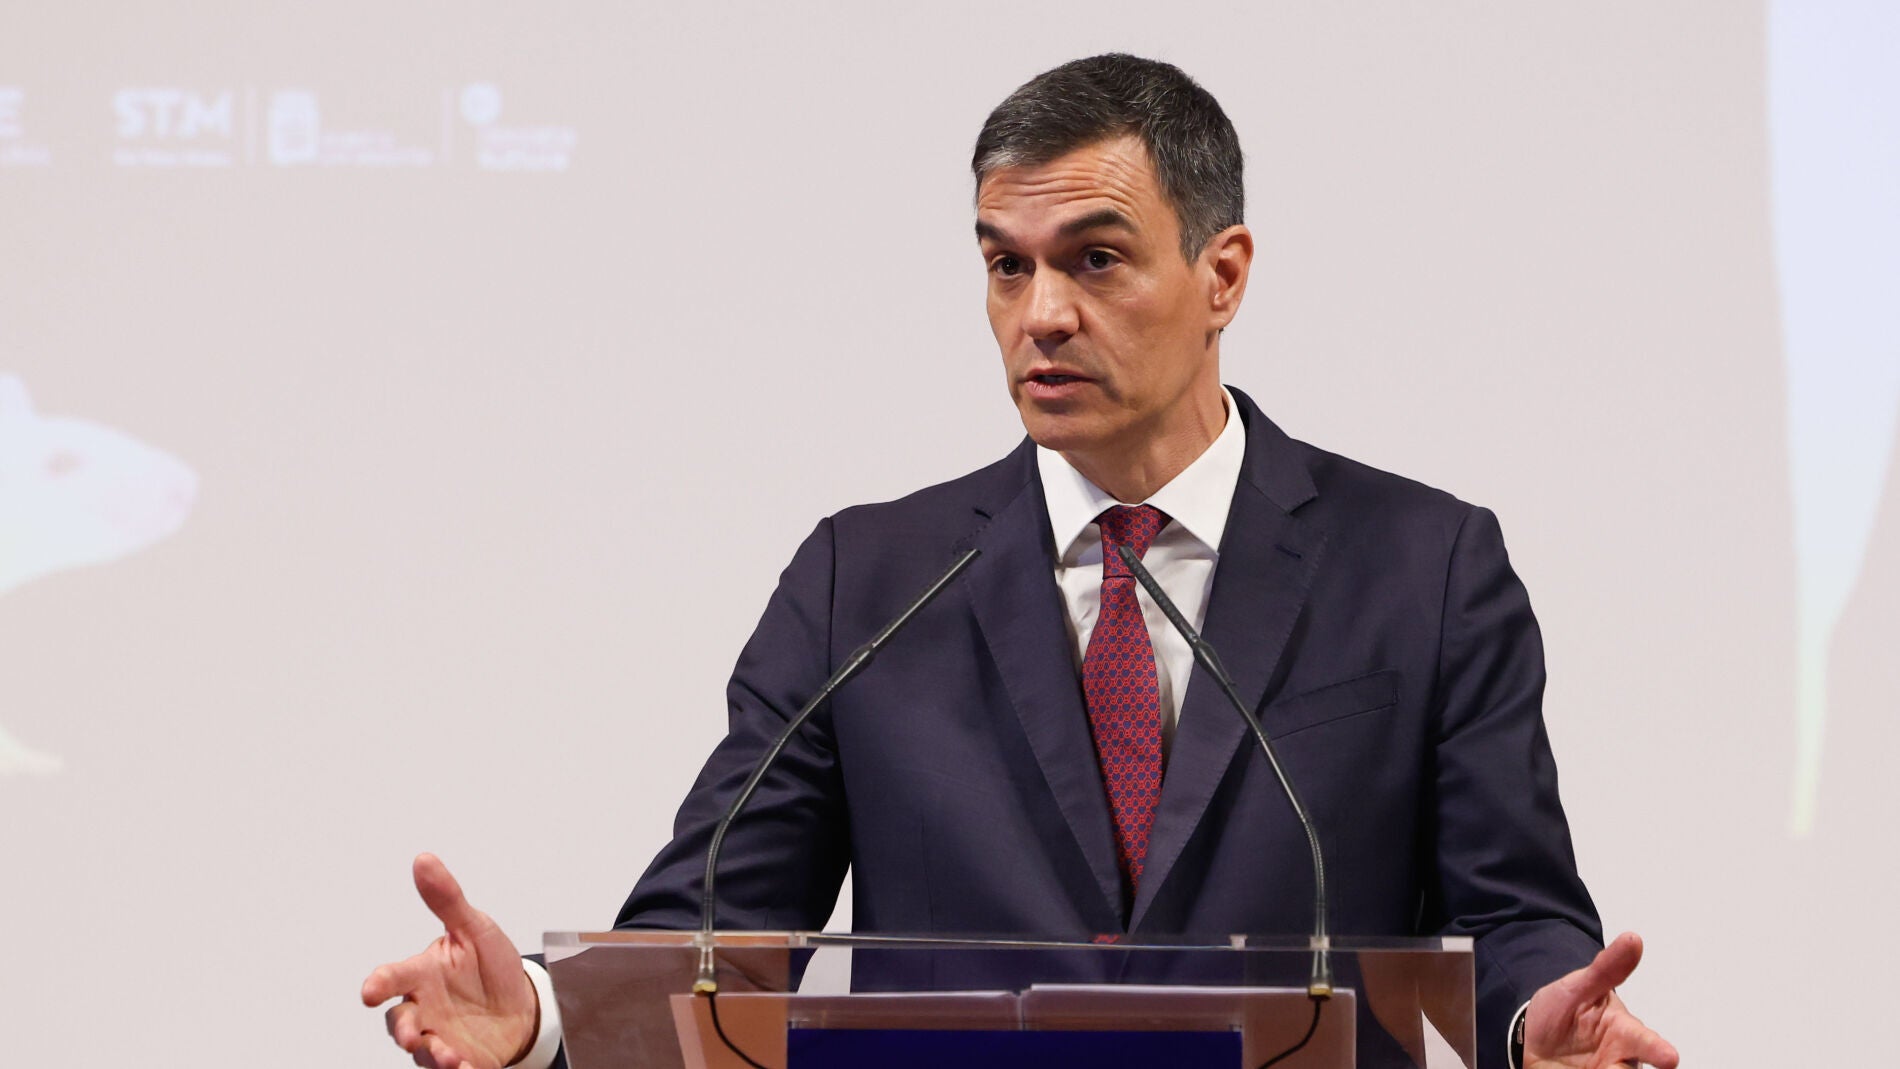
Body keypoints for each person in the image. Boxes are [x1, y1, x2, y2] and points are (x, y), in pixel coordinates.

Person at [362, 54, 1680, 1069]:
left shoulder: (1423, 566)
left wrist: (1537, 1030)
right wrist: (538, 1015)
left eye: (1095, 261)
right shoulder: (867, 582)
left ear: (1223, 275)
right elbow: (721, 927)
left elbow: (1514, 912)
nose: (1041, 314)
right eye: (1007, 266)